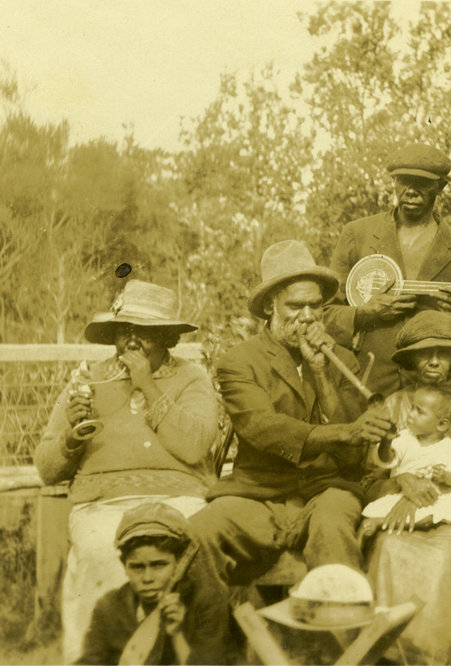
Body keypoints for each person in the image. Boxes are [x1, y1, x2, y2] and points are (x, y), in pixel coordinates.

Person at [35, 280, 221, 663]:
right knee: (102, 548)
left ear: (167, 338)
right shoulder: (87, 379)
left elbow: (194, 447)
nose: (131, 343)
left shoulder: (191, 378)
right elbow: (47, 469)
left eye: (145, 334)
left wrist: (147, 385)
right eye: (125, 332)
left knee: (190, 548)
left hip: (178, 499)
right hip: (102, 504)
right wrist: (72, 436)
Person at [189, 240, 393, 584]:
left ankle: (343, 633)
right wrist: (346, 432)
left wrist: (319, 373)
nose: (308, 317)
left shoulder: (342, 360)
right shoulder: (240, 361)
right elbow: (262, 427)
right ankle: (211, 637)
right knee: (199, 534)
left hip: (329, 491)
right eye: (296, 306)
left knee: (333, 530)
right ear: (271, 305)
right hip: (260, 493)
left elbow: (352, 454)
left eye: (315, 306)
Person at [364, 310, 451, 663]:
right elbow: (375, 472)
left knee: (440, 558)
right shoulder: (396, 403)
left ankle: (432, 656)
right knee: (387, 547)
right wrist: (404, 484)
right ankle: (389, 654)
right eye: (425, 352)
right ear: (410, 358)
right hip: (400, 503)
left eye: (444, 352)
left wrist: (423, 494)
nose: (435, 361)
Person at [327, 142, 451, 396]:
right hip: (365, 383)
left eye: (421, 183)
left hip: (432, 395)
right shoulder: (357, 235)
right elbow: (324, 314)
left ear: (440, 187)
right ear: (394, 182)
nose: (410, 191)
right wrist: (365, 314)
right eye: (403, 181)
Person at [78, 503, 231, 665]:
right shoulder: (110, 607)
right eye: (137, 567)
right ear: (124, 565)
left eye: (159, 565)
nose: (147, 578)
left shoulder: (206, 602)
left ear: (179, 563)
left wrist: (177, 634)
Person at [361, 385, 451, 530]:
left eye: (419, 411)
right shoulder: (404, 437)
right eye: (412, 408)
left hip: (436, 498)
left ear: (441, 424)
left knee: (435, 513)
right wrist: (386, 441)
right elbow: (387, 460)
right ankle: (377, 523)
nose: (411, 414)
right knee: (374, 510)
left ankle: (384, 523)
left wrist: (447, 477)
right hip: (402, 494)